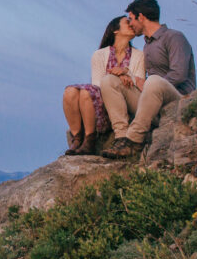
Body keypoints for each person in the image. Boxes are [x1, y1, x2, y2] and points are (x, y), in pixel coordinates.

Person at [100, 0, 196, 159]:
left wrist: (148, 84)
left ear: (141, 17)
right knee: (109, 81)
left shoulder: (174, 37)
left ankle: (134, 141)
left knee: (153, 81)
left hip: (176, 101)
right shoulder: (147, 46)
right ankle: (122, 138)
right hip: (153, 103)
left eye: (131, 19)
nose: (130, 24)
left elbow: (179, 74)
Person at [62, 16, 145, 156]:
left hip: (121, 105)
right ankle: (78, 138)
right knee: (70, 91)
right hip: (99, 103)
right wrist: (119, 76)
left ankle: (90, 139)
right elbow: (97, 85)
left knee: (84, 93)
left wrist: (125, 73)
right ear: (115, 31)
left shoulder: (139, 55)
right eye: (127, 22)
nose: (131, 24)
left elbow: (139, 85)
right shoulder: (99, 55)